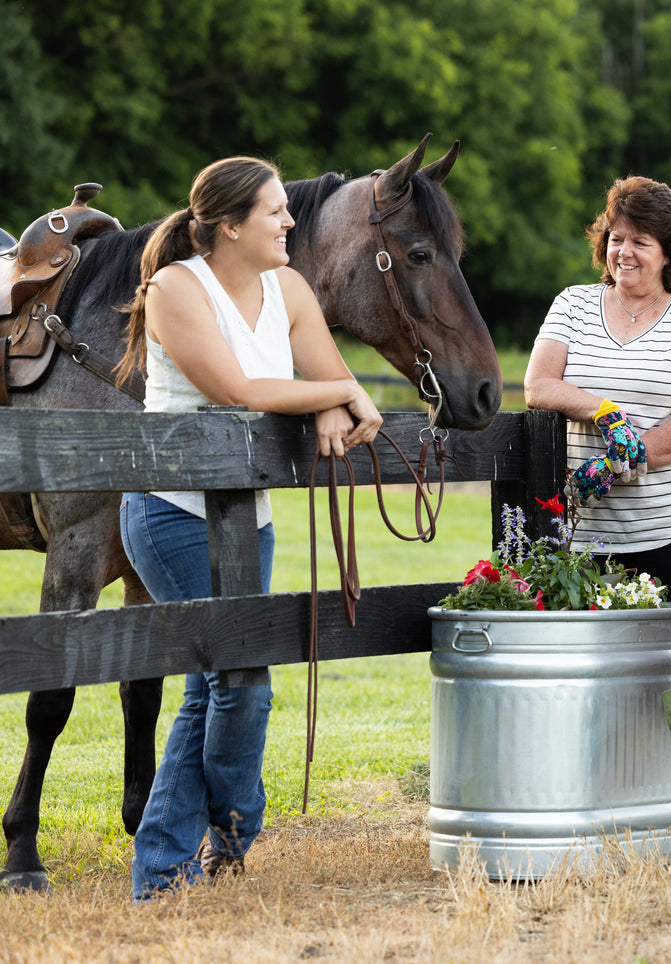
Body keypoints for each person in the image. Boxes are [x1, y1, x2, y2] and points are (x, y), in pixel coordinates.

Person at [115, 156, 383, 900]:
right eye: (274, 212)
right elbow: (236, 388)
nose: (290, 221)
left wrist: (330, 400)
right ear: (229, 225)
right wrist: (339, 394)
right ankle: (217, 837)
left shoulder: (290, 288)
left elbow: (318, 370)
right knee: (237, 681)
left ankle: (183, 861)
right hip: (171, 513)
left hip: (249, 518)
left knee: (219, 683)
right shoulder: (175, 288)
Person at [523, 176, 671, 602]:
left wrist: (622, 459)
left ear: (669, 252)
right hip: (583, 535)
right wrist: (605, 412)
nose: (623, 253)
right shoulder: (572, 303)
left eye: (640, 242)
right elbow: (537, 385)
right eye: (616, 238)